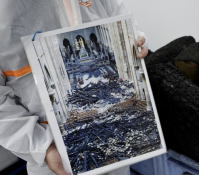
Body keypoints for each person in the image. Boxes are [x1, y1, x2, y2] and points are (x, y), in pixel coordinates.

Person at [0, 0, 148, 175]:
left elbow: (121, 20)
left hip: (118, 141)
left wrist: (134, 42)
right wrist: (44, 147)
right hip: (56, 160)